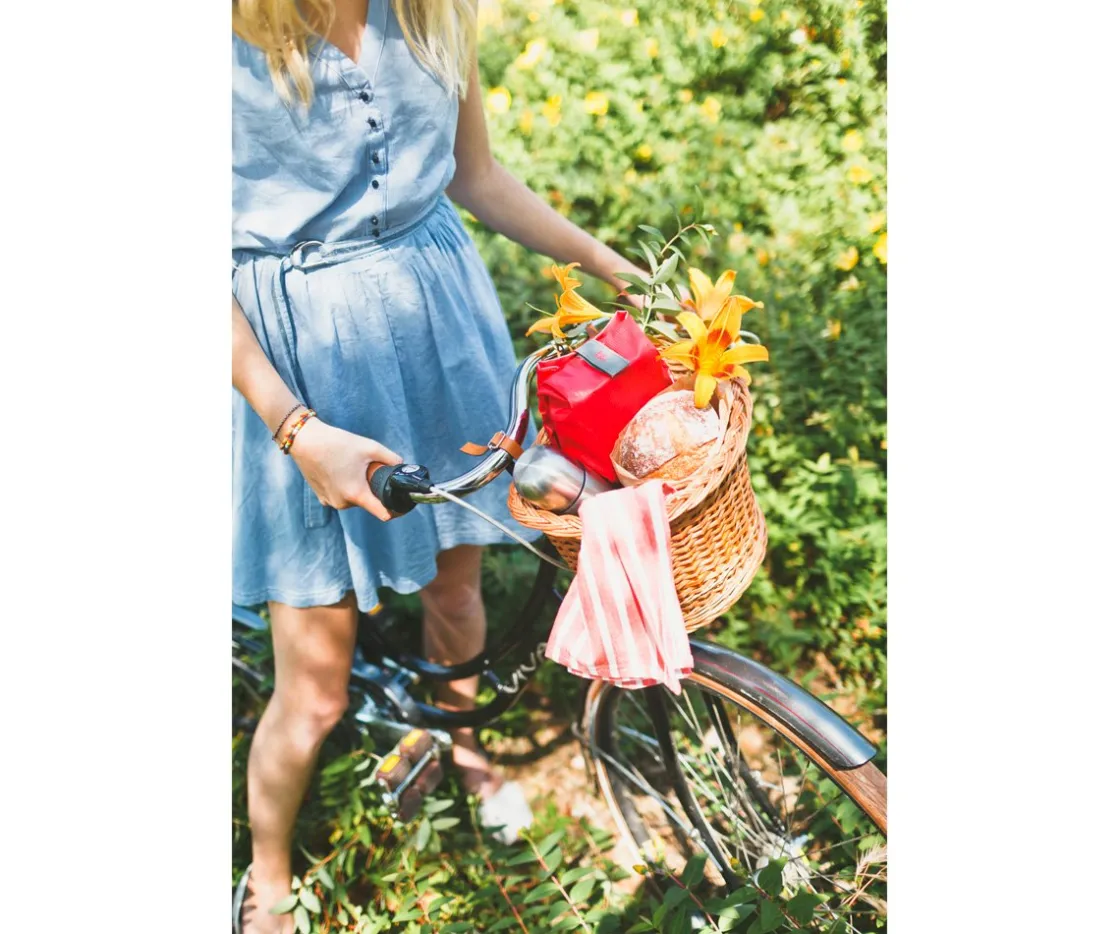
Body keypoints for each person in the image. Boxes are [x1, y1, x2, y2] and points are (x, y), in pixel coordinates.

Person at [231, 1, 644, 930]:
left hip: (439, 327)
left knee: (457, 592)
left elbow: (474, 173)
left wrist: (607, 263)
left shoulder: (432, 11)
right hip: (297, 365)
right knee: (314, 690)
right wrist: (295, 429)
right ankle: (269, 878)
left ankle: (461, 749)